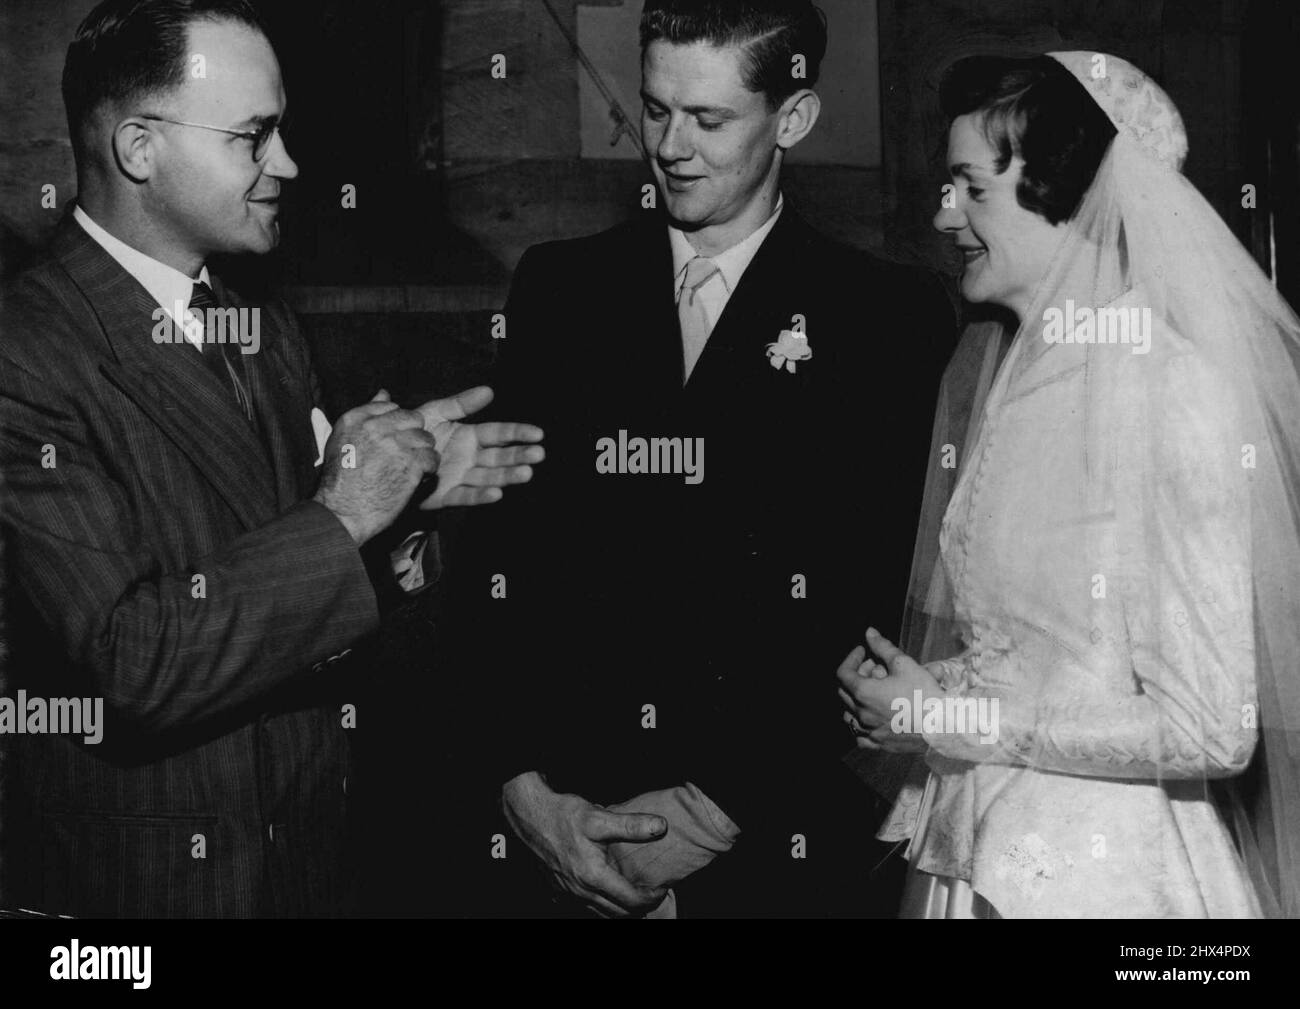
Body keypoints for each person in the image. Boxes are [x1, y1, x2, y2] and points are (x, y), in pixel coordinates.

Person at [0, 0, 543, 917]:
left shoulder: (255, 318)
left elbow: (282, 585)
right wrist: (348, 515)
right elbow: (133, 664)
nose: (287, 164)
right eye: (254, 137)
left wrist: (403, 516)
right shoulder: (27, 352)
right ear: (140, 149)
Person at [448, 0, 954, 917]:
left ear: (792, 119)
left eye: (709, 119)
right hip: (565, 821)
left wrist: (710, 818)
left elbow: (869, 594)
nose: (670, 146)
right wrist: (525, 792)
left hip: (774, 843)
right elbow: (501, 562)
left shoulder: (888, 316)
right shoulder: (561, 289)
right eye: (654, 110)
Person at [838, 52, 1300, 918]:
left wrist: (954, 721)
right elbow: (1054, 652)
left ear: (1071, 196)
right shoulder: (1010, 374)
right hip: (978, 853)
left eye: (972, 188)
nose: (945, 215)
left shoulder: (1170, 391)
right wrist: (928, 689)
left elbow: (1212, 727)